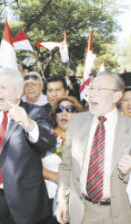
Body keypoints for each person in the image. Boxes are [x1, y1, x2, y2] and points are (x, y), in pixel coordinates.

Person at [0, 68, 56, 224]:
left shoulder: (35, 113)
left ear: (19, 92)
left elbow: (49, 141)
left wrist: (28, 124)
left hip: (23, 200)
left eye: (3, 88)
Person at [56, 71, 131, 224]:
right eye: (91, 89)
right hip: (81, 211)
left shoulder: (128, 128)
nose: (92, 94)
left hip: (116, 214)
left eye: (100, 89)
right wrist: (62, 200)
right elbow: (66, 165)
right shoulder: (77, 121)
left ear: (116, 97)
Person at [42, 96, 83, 218]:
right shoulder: (45, 137)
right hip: (48, 199)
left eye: (70, 109)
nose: (63, 113)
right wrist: (54, 176)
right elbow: (30, 164)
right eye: (59, 110)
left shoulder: (86, 138)